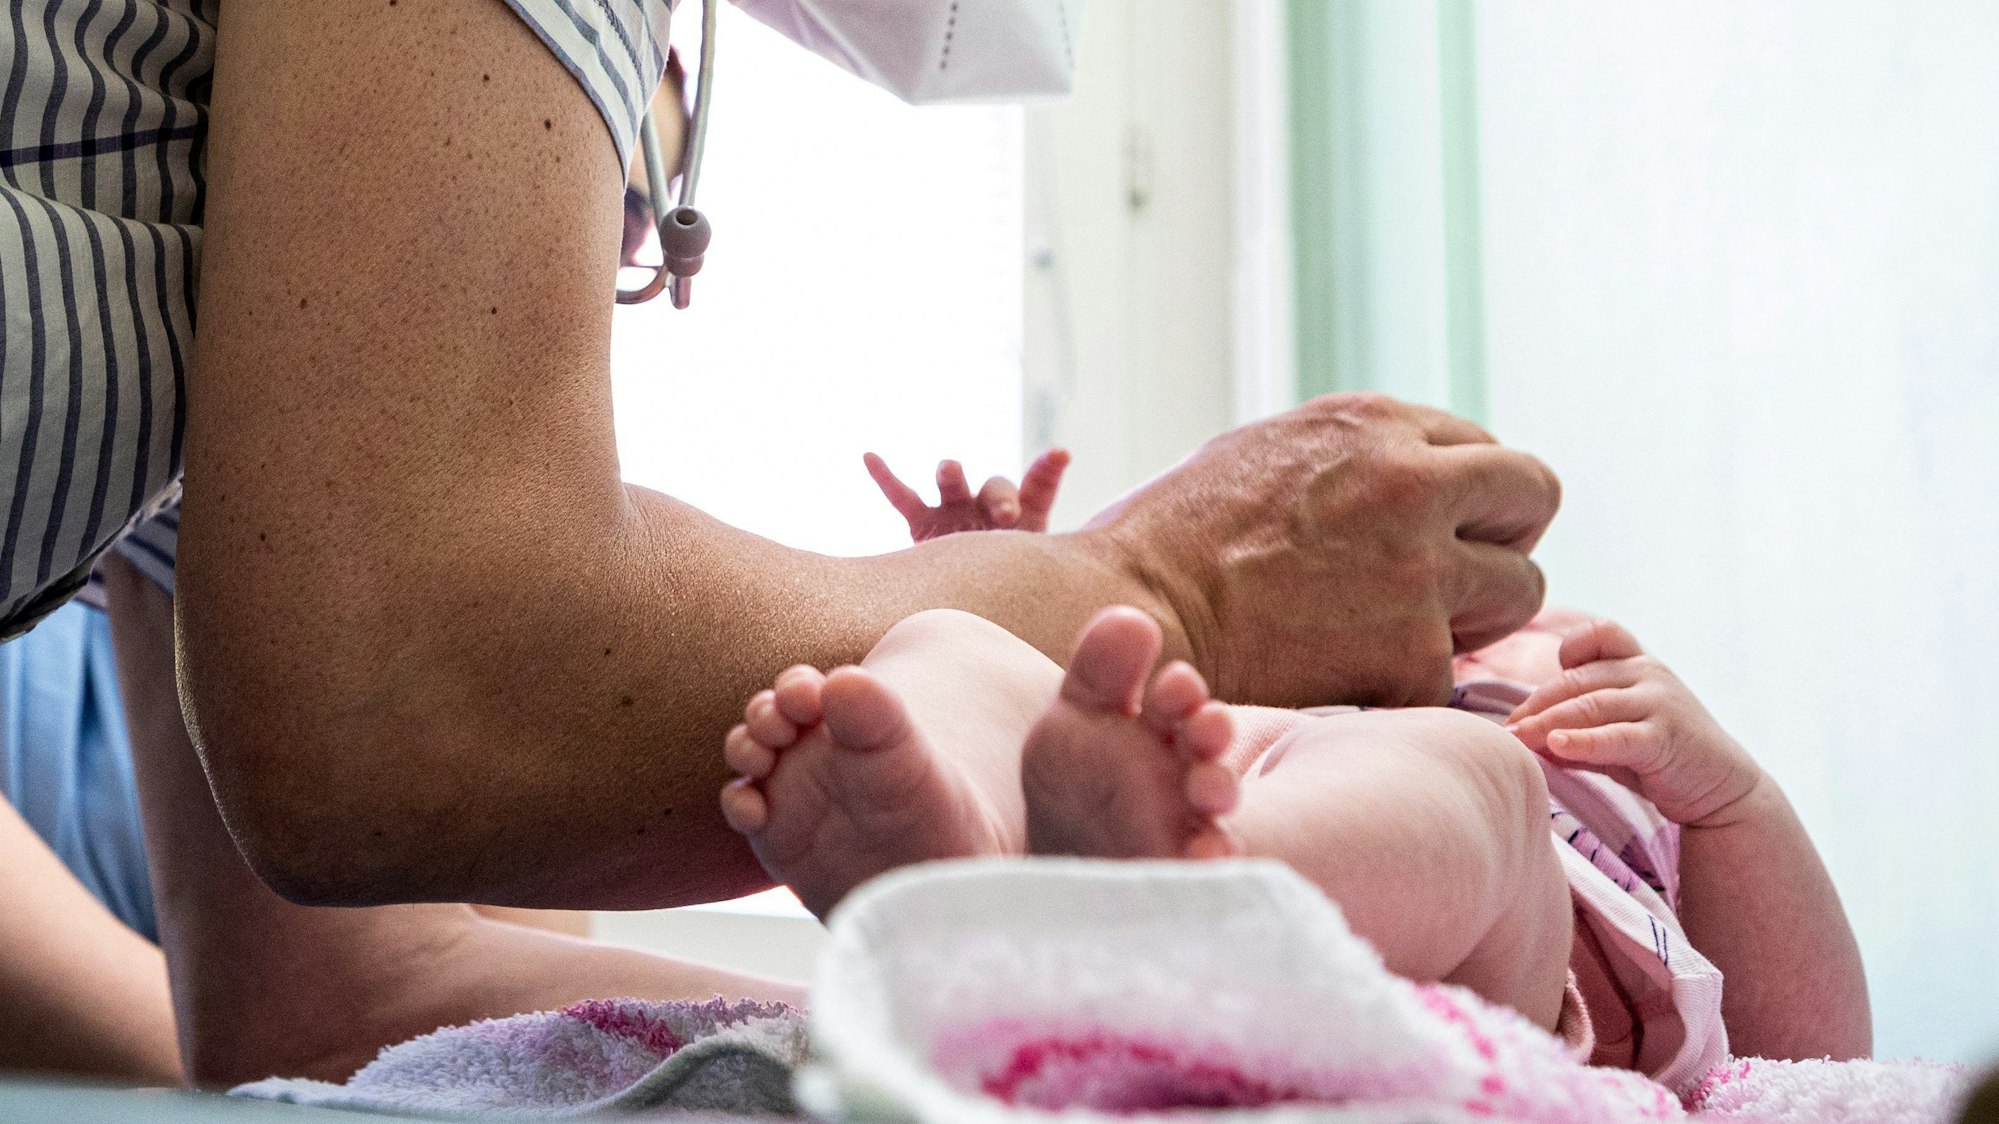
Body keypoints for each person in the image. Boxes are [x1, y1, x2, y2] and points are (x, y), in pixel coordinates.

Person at [3, 0, 1558, 918]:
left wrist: (923, 1034)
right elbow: (400, 691)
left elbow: (340, 993)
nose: (609, 234)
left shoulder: (245, 315)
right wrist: (1167, 589)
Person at [717, 463, 1870, 1070]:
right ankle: (964, 847)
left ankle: (1200, 890)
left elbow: (1821, 1060)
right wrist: (997, 574)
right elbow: (1148, 694)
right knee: (951, 645)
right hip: (1243, 779)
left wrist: (1732, 800)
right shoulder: (1280, 679)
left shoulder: (1553, 699)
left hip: (1497, 971)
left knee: (1478, 777)